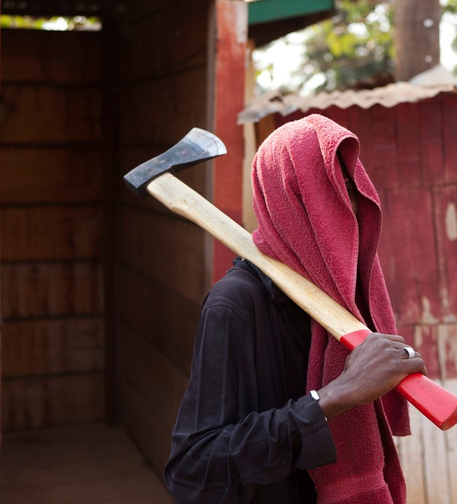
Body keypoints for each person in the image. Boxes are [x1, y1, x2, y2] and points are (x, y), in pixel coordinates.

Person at [163, 115, 426, 504]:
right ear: (290, 203)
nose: (349, 211)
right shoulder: (234, 305)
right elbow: (193, 470)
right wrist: (334, 397)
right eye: (331, 192)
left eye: (355, 189)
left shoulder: (344, 297)